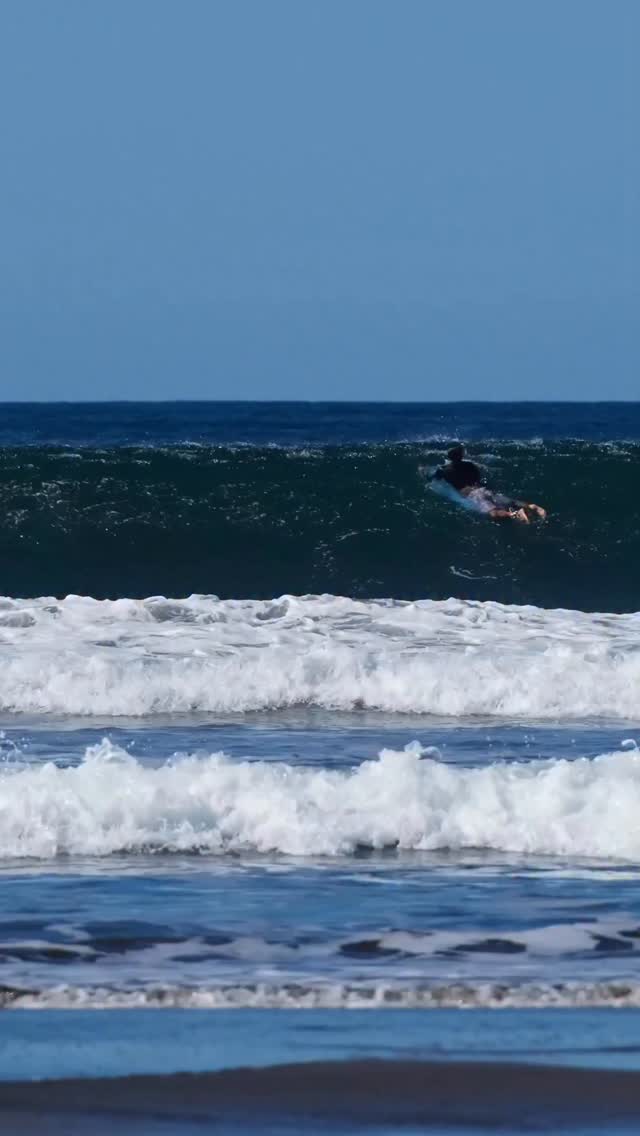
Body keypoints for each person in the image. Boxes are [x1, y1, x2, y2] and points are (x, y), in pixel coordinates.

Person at [430, 444, 546, 523]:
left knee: (492, 512)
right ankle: (532, 507)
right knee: (511, 501)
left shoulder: (445, 470)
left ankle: (514, 515)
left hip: (472, 495)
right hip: (483, 490)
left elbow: (433, 478)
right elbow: (477, 477)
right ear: (461, 456)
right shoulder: (470, 465)